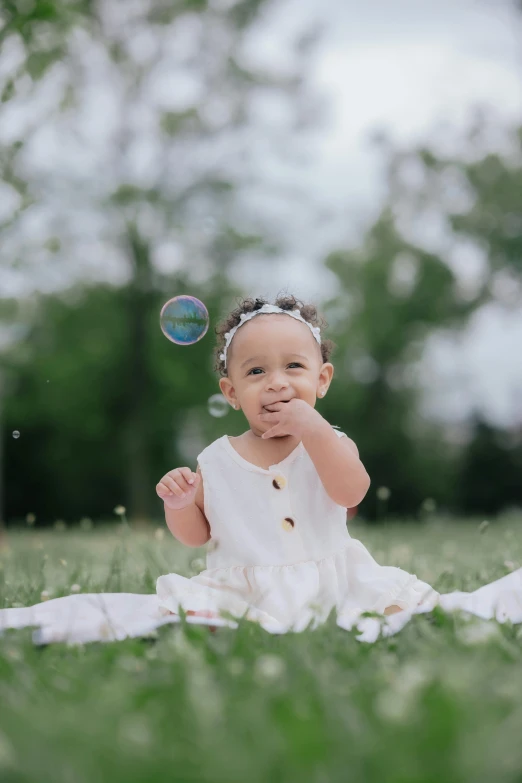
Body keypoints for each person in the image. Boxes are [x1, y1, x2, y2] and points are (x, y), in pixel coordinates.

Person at [1, 295, 521, 645]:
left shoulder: (329, 443)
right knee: (208, 624)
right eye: (256, 372)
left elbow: (351, 491)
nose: (276, 382)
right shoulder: (216, 459)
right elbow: (196, 536)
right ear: (231, 393)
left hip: (334, 578)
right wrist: (181, 503)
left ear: (322, 379)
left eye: (293, 367)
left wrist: (315, 430)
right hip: (244, 588)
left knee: (406, 617)